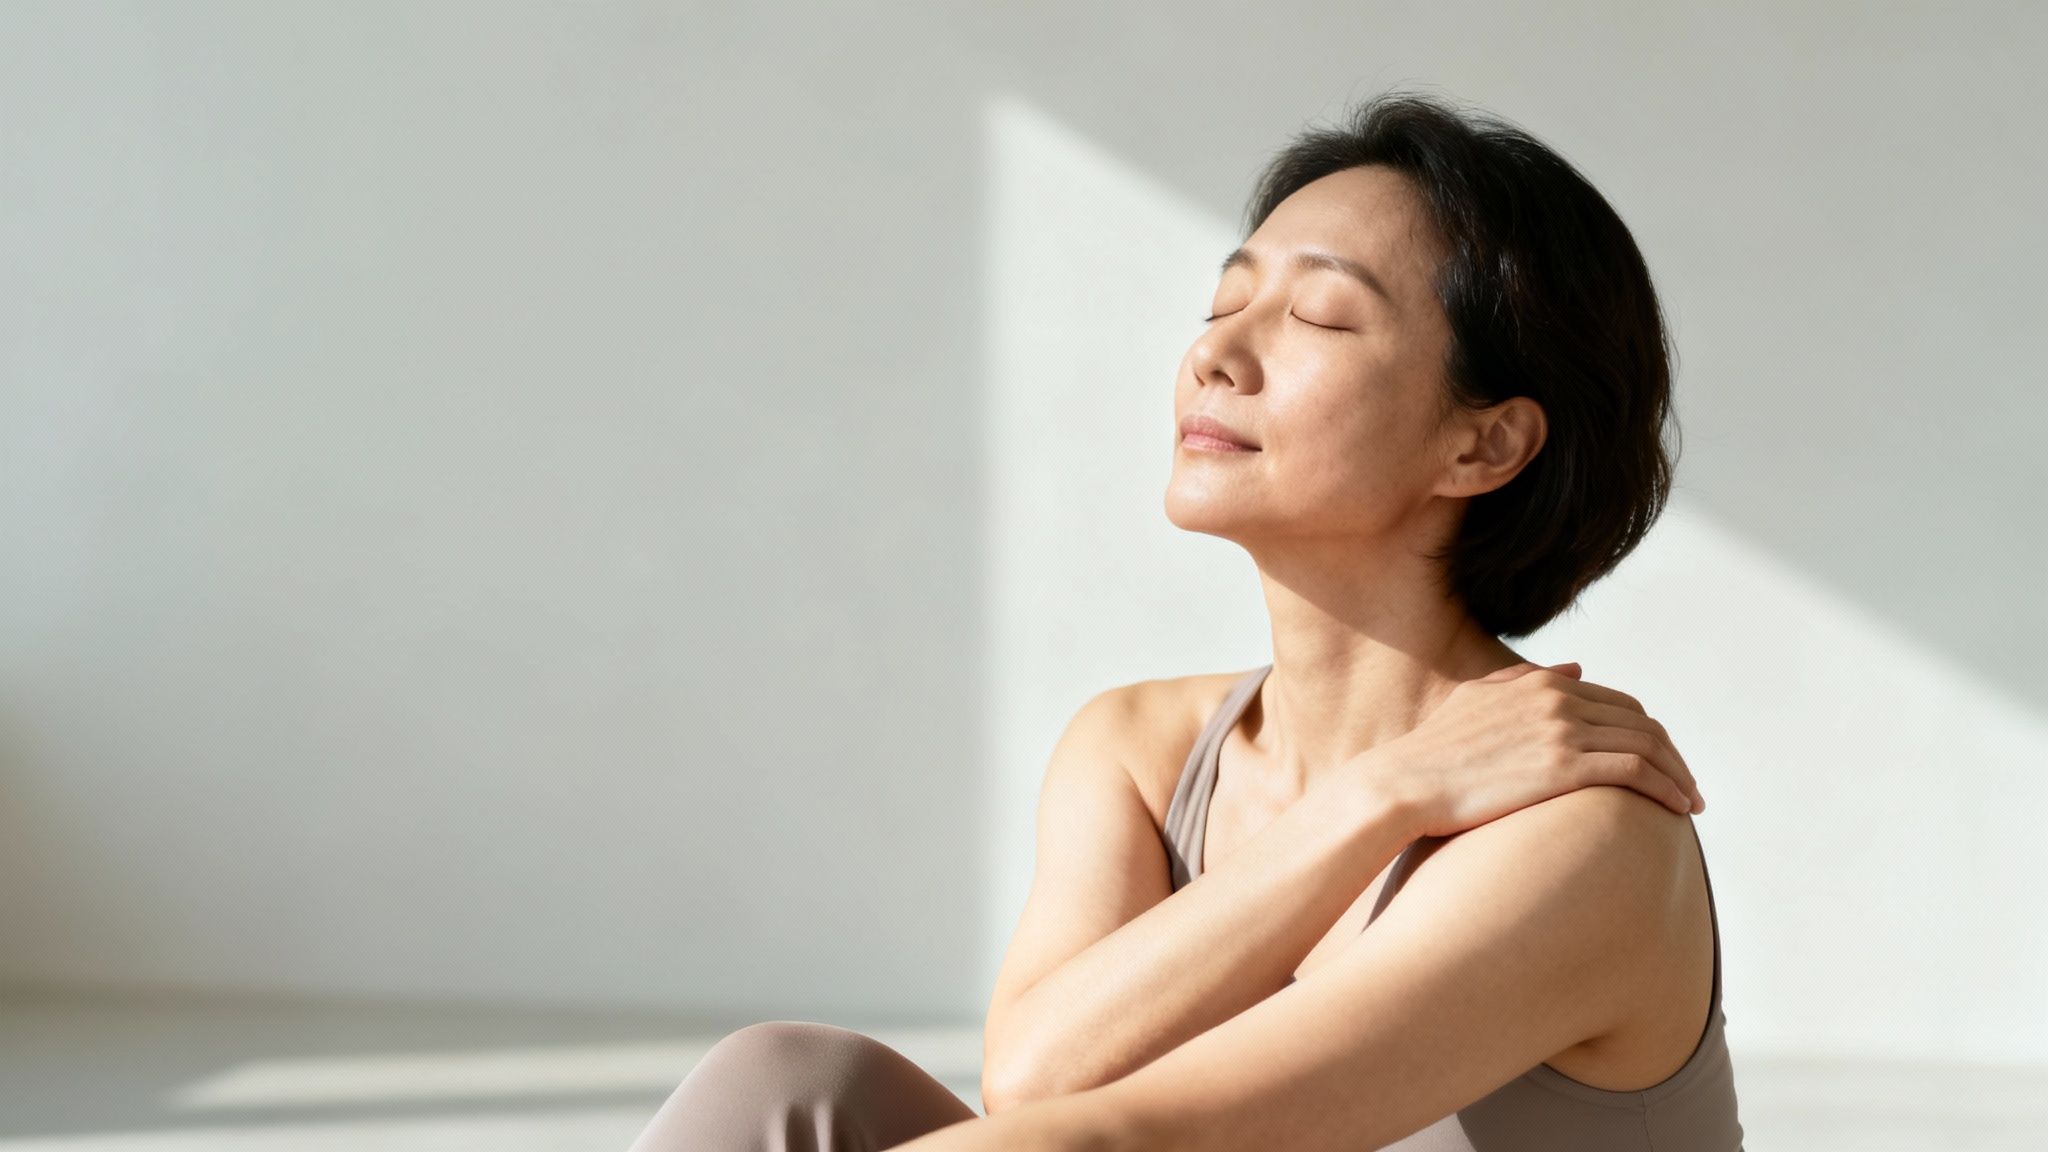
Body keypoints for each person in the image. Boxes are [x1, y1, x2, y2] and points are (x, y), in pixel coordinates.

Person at [627, 88, 1743, 1151]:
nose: (1213, 353)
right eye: (1223, 301)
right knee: (786, 1085)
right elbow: (1033, 1077)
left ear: (1482, 444)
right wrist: (1382, 795)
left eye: (1316, 315)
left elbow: (1133, 1136)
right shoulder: (1139, 751)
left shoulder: (1585, 833)